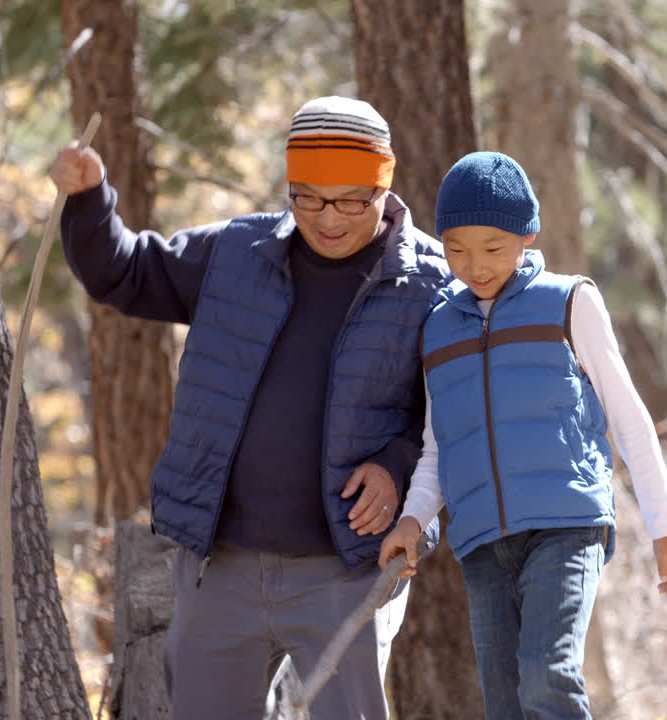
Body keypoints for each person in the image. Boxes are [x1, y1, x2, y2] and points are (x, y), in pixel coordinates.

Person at [49, 96, 447, 720]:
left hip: (347, 569)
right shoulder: (236, 254)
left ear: (382, 185)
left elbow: (450, 424)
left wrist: (395, 468)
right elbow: (123, 272)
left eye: (350, 200)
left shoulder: (433, 284)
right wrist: (90, 199)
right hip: (222, 567)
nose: (329, 218)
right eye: (309, 197)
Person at [379, 151, 667, 720]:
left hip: (566, 524)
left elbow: (627, 414)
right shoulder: (438, 328)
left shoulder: (568, 302)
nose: (475, 265)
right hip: (483, 546)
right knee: (505, 704)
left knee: (548, 674)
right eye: (456, 249)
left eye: (493, 248)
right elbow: (436, 447)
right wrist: (412, 519)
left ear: (529, 235)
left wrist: (663, 525)